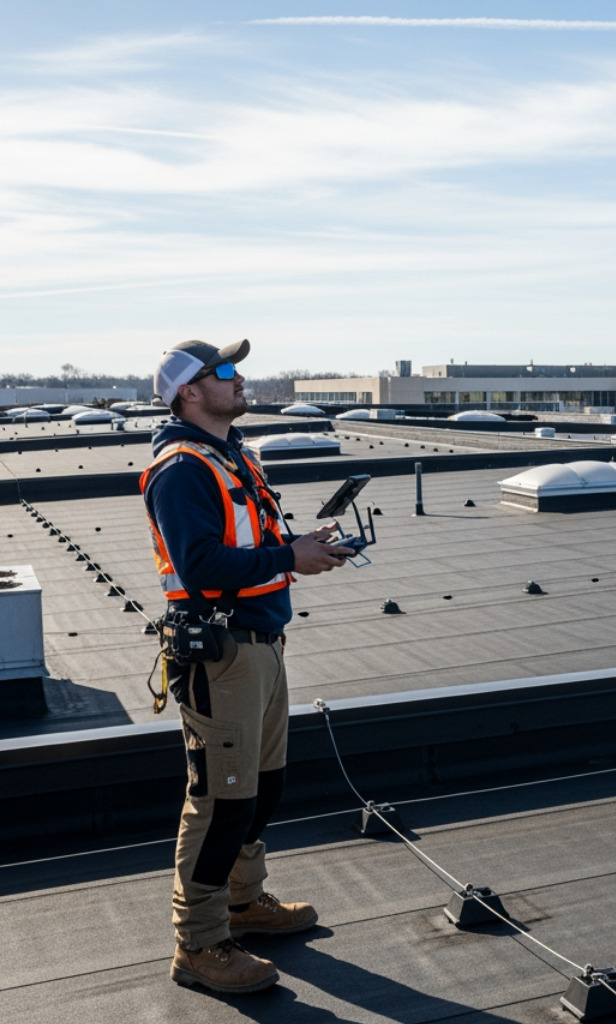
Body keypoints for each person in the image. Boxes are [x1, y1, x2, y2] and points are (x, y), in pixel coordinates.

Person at [141, 339, 356, 994]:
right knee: (219, 803)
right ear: (190, 393)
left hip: (260, 645)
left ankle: (243, 903)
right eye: (225, 373)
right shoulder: (182, 468)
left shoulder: (231, 457)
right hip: (223, 656)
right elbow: (201, 567)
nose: (241, 380)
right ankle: (200, 946)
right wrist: (289, 558)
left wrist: (300, 547)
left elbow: (253, 546)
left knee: (262, 791)